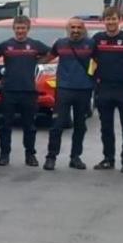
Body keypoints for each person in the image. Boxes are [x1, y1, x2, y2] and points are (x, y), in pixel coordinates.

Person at [0, 15, 50, 166]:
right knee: (6, 125)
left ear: (28, 29)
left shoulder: (35, 45)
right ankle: (4, 155)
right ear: (13, 29)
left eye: (23, 28)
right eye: (17, 28)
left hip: (28, 91)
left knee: (29, 126)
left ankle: (30, 155)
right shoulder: (6, 45)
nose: (20, 31)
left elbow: (51, 53)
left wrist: (40, 61)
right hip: (9, 90)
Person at [91, 7, 123, 173]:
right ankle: (108, 159)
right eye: (108, 19)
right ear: (103, 21)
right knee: (106, 127)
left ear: (119, 20)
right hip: (104, 89)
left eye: (113, 18)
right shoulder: (97, 39)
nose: (111, 22)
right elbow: (89, 60)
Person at [45, 17, 96, 170]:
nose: (75, 30)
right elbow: (46, 58)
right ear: (68, 29)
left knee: (80, 126)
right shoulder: (60, 43)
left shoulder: (91, 44)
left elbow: (101, 62)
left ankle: (75, 157)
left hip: (84, 90)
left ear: (83, 29)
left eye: (78, 28)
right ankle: (51, 157)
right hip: (64, 90)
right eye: (72, 27)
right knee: (57, 125)